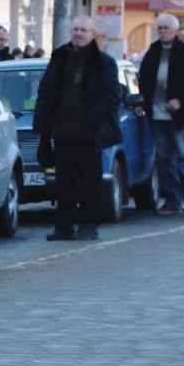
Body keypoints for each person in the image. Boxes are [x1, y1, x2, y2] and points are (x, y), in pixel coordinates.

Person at [33, 15, 122, 241]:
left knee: (90, 183)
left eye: (83, 30)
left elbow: (111, 96)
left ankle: (89, 224)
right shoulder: (60, 57)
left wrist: (91, 117)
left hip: (89, 135)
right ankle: (63, 226)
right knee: (64, 183)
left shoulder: (103, 62)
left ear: (93, 34)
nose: (78, 34)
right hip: (63, 133)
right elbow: (45, 91)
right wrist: (42, 125)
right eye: (75, 29)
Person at [137, 13, 184, 218]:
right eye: (159, 28)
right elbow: (144, 81)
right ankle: (172, 200)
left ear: (176, 31)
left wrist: (180, 101)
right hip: (157, 116)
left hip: (180, 117)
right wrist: (141, 102)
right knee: (164, 160)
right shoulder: (152, 53)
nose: (162, 32)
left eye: (166, 28)